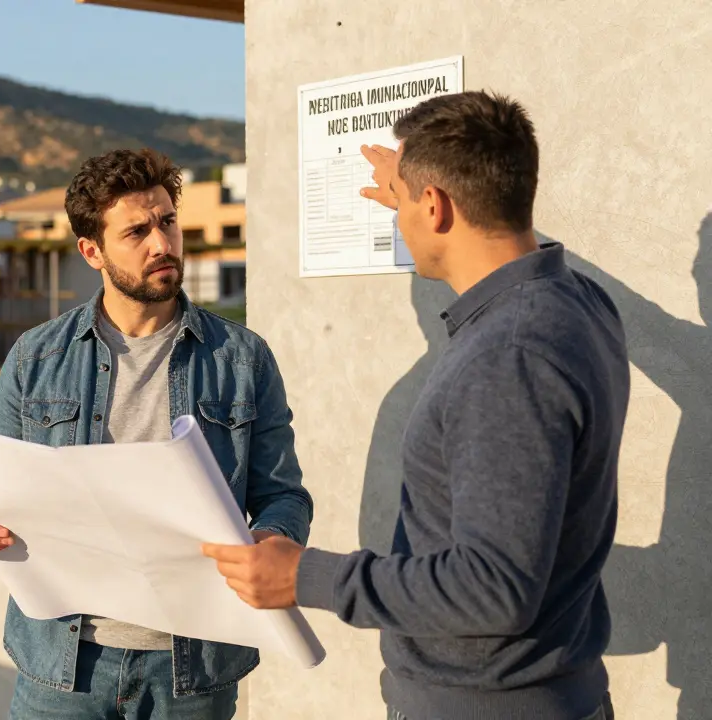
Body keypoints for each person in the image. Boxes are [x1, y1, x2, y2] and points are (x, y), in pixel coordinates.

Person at [202, 90, 628, 720]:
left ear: (435, 206)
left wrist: (305, 577)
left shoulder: (505, 357)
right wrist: (425, 189)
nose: (397, 217)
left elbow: (494, 588)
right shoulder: (578, 301)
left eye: (406, 201)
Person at [0, 148, 314, 720]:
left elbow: (283, 495)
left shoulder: (242, 358)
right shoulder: (35, 357)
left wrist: (270, 540)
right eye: (136, 231)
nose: (162, 245)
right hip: (62, 667)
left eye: (167, 222)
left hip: (192, 668)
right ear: (91, 251)